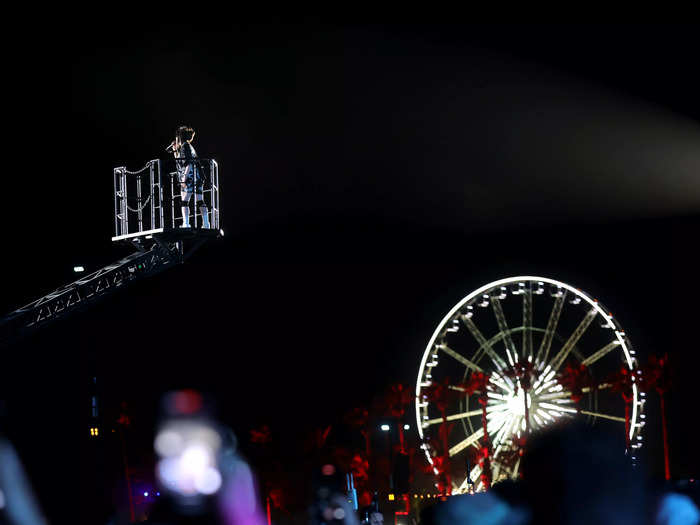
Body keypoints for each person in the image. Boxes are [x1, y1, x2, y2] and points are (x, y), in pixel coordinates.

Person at [172, 126, 210, 229]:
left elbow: (188, 164)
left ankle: (186, 223)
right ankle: (206, 224)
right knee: (200, 200)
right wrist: (175, 151)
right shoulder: (188, 146)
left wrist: (183, 179)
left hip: (189, 176)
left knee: (184, 201)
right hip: (197, 176)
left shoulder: (185, 147)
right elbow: (181, 161)